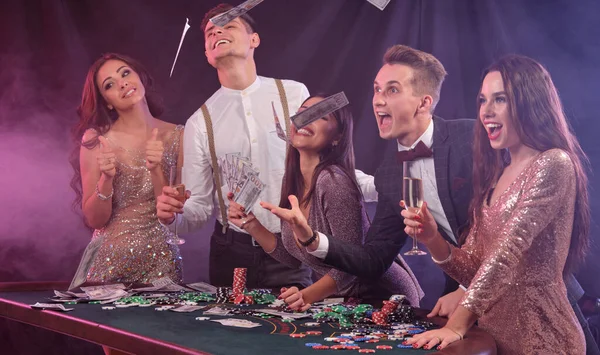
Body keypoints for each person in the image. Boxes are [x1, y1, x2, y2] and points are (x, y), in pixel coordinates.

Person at [155, 4, 376, 289]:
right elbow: (196, 209)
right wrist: (173, 216)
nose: (218, 31)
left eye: (229, 25)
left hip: (291, 247)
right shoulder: (200, 122)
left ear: (254, 40)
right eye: (211, 31)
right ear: (208, 54)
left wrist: (384, 187)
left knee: (290, 330)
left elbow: (325, 167)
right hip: (230, 252)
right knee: (227, 332)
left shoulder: (295, 94)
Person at [403, 54, 589, 354]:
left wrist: (457, 324)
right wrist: (432, 237)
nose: (486, 112)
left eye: (499, 100)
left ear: (530, 102)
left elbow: (507, 254)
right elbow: (473, 269)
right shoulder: (497, 176)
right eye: (482, 100)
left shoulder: (554, 163)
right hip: (493, 339)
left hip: (543, 340)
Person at [289, 45, 475, 303]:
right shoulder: (389, 173)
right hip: (459, 287)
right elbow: (374, 260)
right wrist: (312, 239)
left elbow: (506, 225)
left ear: (423, 103)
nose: (377, 99)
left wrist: (468, 292)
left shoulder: (470, 138)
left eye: (393, 90)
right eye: (377, 89)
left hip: (515, 281)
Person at [228, 95, 423, 309]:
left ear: (337, 137)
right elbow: (294, 256)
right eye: (302, 112)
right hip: (345, 301)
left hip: (383, 297)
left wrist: (306, 295)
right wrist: (252, 225)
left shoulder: (333, 181)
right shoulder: (293, 179)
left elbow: (351, 266)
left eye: (321, 116)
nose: (305, 119)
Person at [69, 53, 183, 285]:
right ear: (107, 101)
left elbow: (173, 214)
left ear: (140, 78)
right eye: (109, 85)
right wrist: (106, 179)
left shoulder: (178, 135)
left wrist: (156, 169)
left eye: (125, 73)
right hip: (107, 266)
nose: (122, 83)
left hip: (161, 265)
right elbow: (94, 219)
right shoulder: (96, 139)